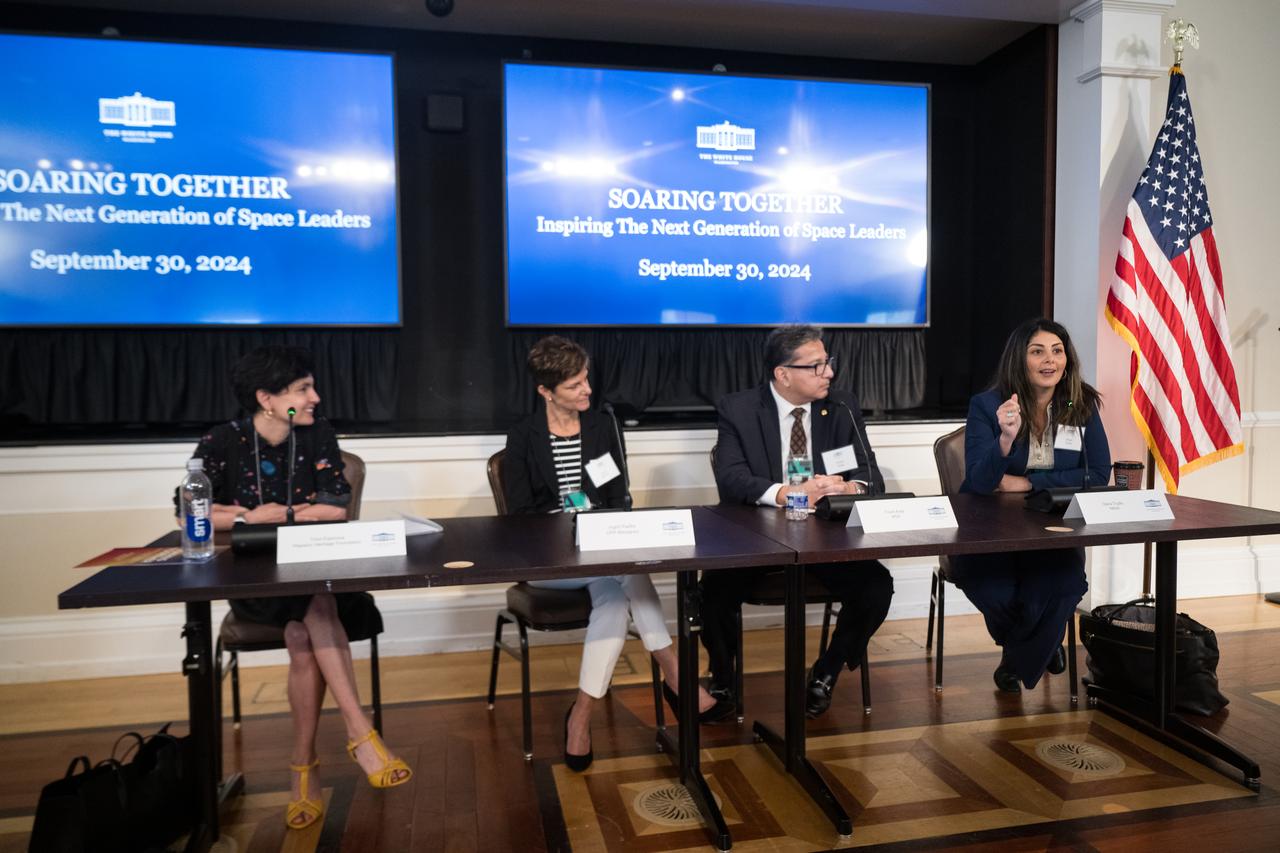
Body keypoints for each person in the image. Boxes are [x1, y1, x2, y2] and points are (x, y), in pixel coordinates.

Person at [191, 345, 411, 831]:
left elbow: (336, 507)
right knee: (311, 611)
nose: (315, 397)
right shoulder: (221, 441)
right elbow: (194, 510)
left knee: (302, 628)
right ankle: (360, 733)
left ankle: (303, 768)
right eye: (302, 390)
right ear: (267, 399)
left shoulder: (318, 435)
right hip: (256, 581)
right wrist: (253, 515)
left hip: (320, 569)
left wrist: (274, 515)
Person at [503, 336, 731, 770]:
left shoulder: (602, 425)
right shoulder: (522, 437)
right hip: (549, 557)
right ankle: (675, 672)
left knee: (613, 592)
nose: (587, 390)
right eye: (574, 386)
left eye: (586, 380)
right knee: (626, 579)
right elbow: (519, 517)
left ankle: (581, 718)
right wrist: (569, 525)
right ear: (546, 392)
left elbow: (617, 497)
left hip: (602, 547)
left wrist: (604, 527)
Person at [705, 325, 894, 718]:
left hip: (826, 539)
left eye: (828, 363)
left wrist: (849, 488)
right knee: (712, 592)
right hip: (756, 536)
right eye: (817, 366)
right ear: (783, 373)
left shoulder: (841, 407)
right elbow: (732, 477)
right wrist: (791, 493)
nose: (829, 373)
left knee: (876, 587)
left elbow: (871, 475)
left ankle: (826, 671)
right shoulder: (738, 409)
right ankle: (723, 676)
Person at [955, 317, 1111, 692]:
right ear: (1019, 359)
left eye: (1057, 351)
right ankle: (1044, 644)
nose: (1049, 360)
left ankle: (1020, 657)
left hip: (1053, 524)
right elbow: (979, 482)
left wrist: (1026, 483)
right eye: (1038, 351)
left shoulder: (1080, 402)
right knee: (989, 585)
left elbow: (1098, 474)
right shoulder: (988, 405)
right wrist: (1005, 440)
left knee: (1064, 582)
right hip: (987, 527)